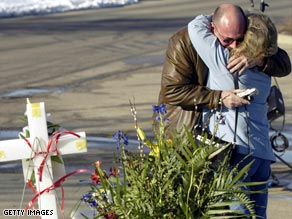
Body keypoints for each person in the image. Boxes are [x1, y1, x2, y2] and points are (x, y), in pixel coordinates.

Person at [188, 7, 286, 218]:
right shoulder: (264, 70)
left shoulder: (224, 61)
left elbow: (195, 26)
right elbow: (283, 62)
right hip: (262, 156)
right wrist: (258, 58)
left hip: (236, 155)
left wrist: (224, 19)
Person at [153, 3, 291, 139]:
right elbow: (172, 91)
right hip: (186, 128)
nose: (234, 45)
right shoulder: (183, 42)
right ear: (213, 27)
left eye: (239, 39)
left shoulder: (243, 35)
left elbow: (284, 65)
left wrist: (259, 59)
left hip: (224, 134)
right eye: (227, 40)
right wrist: (218, 97)